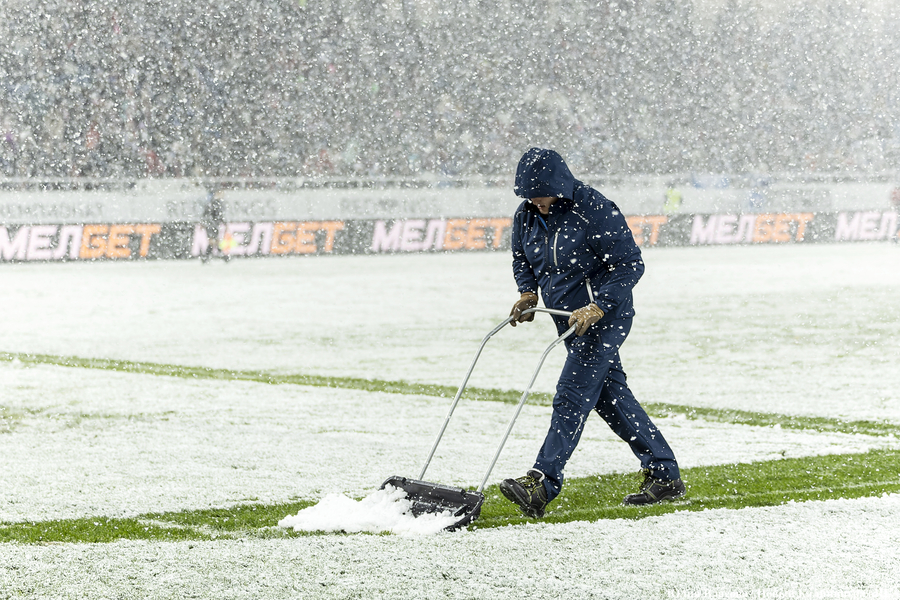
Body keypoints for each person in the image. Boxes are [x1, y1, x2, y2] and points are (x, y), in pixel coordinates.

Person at [500, 148, 684, 518]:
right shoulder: (527, 215)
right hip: (565, 318)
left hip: (604, 317)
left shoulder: (594, 209)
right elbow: (522, 256)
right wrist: (527, 292)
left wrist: (599, 304)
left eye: (541, 194)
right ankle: (664, 474)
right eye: (528, 196)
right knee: (609, 396)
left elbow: (630, 264)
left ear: (560, 186)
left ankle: (542, 482)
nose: (535, 202)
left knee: (570, 395)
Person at [200, 189, 227, 263]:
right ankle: (221, 256)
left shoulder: (212, 203)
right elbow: (217, 215)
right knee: (213, 241)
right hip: (212, 224)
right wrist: (224, 223)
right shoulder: (215, 203)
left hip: (212, 224)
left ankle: (207, 257)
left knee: (215, 241)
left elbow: (205, 214)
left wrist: (203, 223)